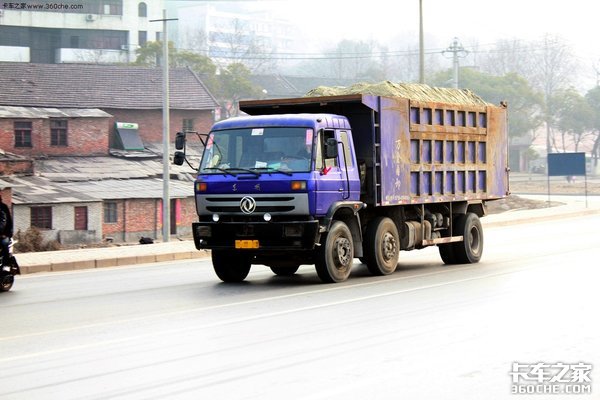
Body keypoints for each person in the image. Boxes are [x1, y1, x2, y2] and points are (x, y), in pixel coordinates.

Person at [0, 193, 14, 263]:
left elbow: (4, 222)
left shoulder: (3, 207)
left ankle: (6, 264)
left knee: (4, 244)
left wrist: (6, 234)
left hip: (3, 234)